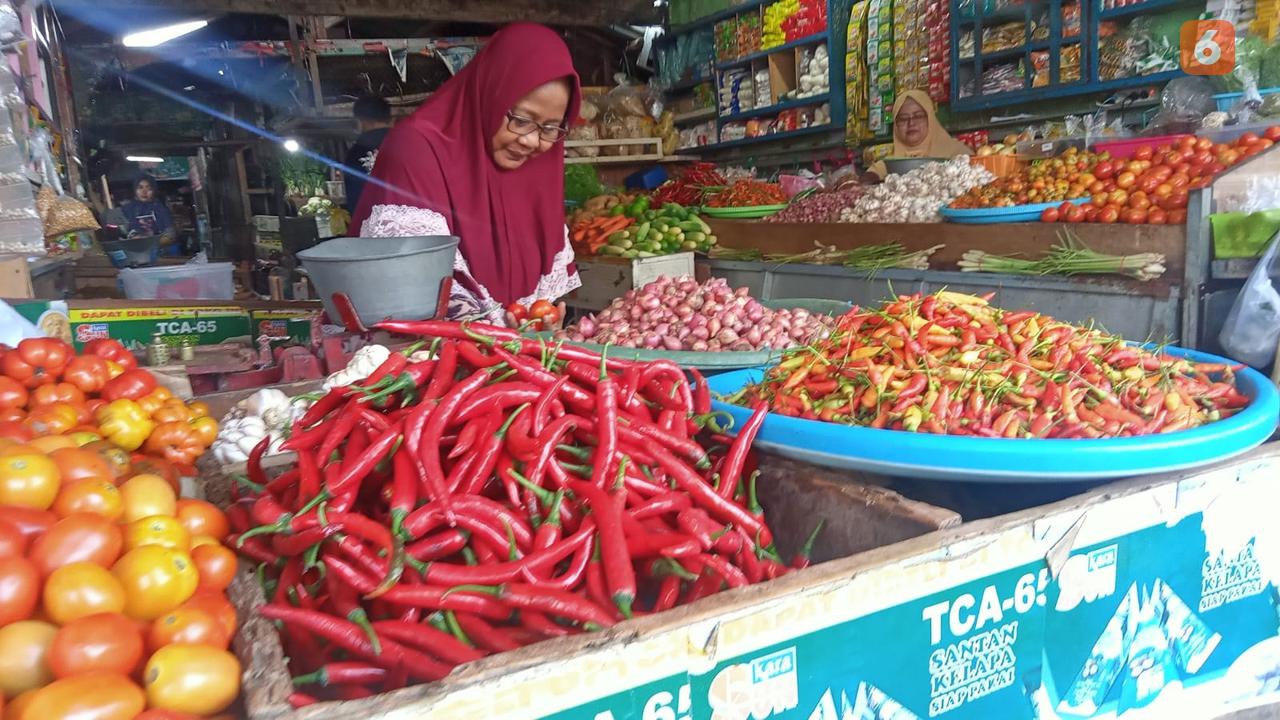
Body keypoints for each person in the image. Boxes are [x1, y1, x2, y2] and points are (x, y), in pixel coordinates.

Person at [350, 23, 581, 326]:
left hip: (509, 366)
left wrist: (538, 331)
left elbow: (537, 307)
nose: (532, 141)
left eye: (550, 128)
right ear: (491, 94)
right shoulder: (416, 150)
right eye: (522, 120)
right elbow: (409, 299)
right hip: (422, 361)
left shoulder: (540, 164)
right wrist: (502, 338)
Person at [864, 90, 973, 182]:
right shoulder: (891, 158)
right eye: (903, 118)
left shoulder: (957, 152)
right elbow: (873, 173)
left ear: (930, 119)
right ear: (896, 126)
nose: (911, 123)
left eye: (918, 116)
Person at [343, 95, 395, 213]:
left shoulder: (355, 154)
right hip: (415, 224)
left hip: (373, 225)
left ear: (360, 120)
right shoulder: (409, 144)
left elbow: (355, 201)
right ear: (389, 117)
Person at [121, 177, 177, 254]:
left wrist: (152, 243)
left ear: (154, 191)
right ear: (134, 190)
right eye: (140, 188)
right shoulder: (127, 209)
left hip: (160, 252)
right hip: (134, 253)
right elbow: (122, 233)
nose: (144, 192)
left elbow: (171, 234)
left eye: (149, 188)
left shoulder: (161, 209)